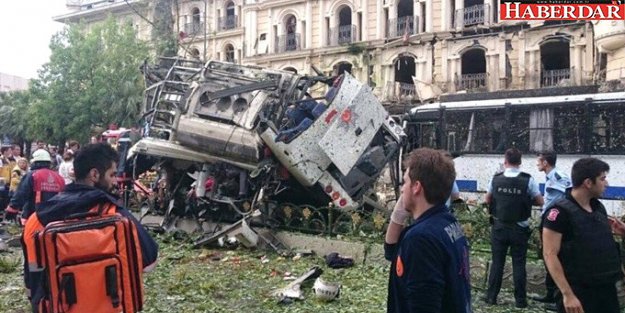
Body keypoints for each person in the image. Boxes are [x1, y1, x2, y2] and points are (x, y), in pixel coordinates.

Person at [21, 143, 158, 311]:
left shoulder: (36, 220)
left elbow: (32, 283)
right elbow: (150, 264)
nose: (116, 181)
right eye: (112, 175)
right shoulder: (115, 214)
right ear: (94, 174)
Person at [386, 148, 471, 313]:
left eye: (405, 182)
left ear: (416, 187)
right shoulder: (448, 224)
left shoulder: (421, 239)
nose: (402, 189)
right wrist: (398, 216)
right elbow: (391, 252)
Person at [543, 158, 624, 313]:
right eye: (602, 179)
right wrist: (568, 295)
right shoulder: (559, 213)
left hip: (606, 290)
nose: (606, 184)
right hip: (578, 292)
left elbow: (606, 248)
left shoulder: (598, 208)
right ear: (588, 183)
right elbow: (549, 254)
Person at [483, 148, 544, 308]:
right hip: (520, 229)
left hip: (499, 227)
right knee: (519, 264)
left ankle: (491, 298)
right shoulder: (528, 180)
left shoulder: (496, 179)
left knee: (497, 263)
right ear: (520, 162)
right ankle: (521, 301)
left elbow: (488, 199)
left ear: (505, 161)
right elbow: (540, 201)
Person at [532, 151, 571, 308]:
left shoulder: (558, 176)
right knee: (548, 256)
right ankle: (550, 294)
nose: (537, 164)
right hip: (548, 220)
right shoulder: (550, 176)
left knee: (555, 257)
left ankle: (558, 298)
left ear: (546, 163)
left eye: (539, 161)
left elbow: (567, 196)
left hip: (555, 223)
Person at [8, 149, 65, 225]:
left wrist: (12, 210)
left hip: (34, 217)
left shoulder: (32, 175)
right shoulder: (59, 178)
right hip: (54, 219)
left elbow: (21, 194)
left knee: (30, 236)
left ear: (35, 162)